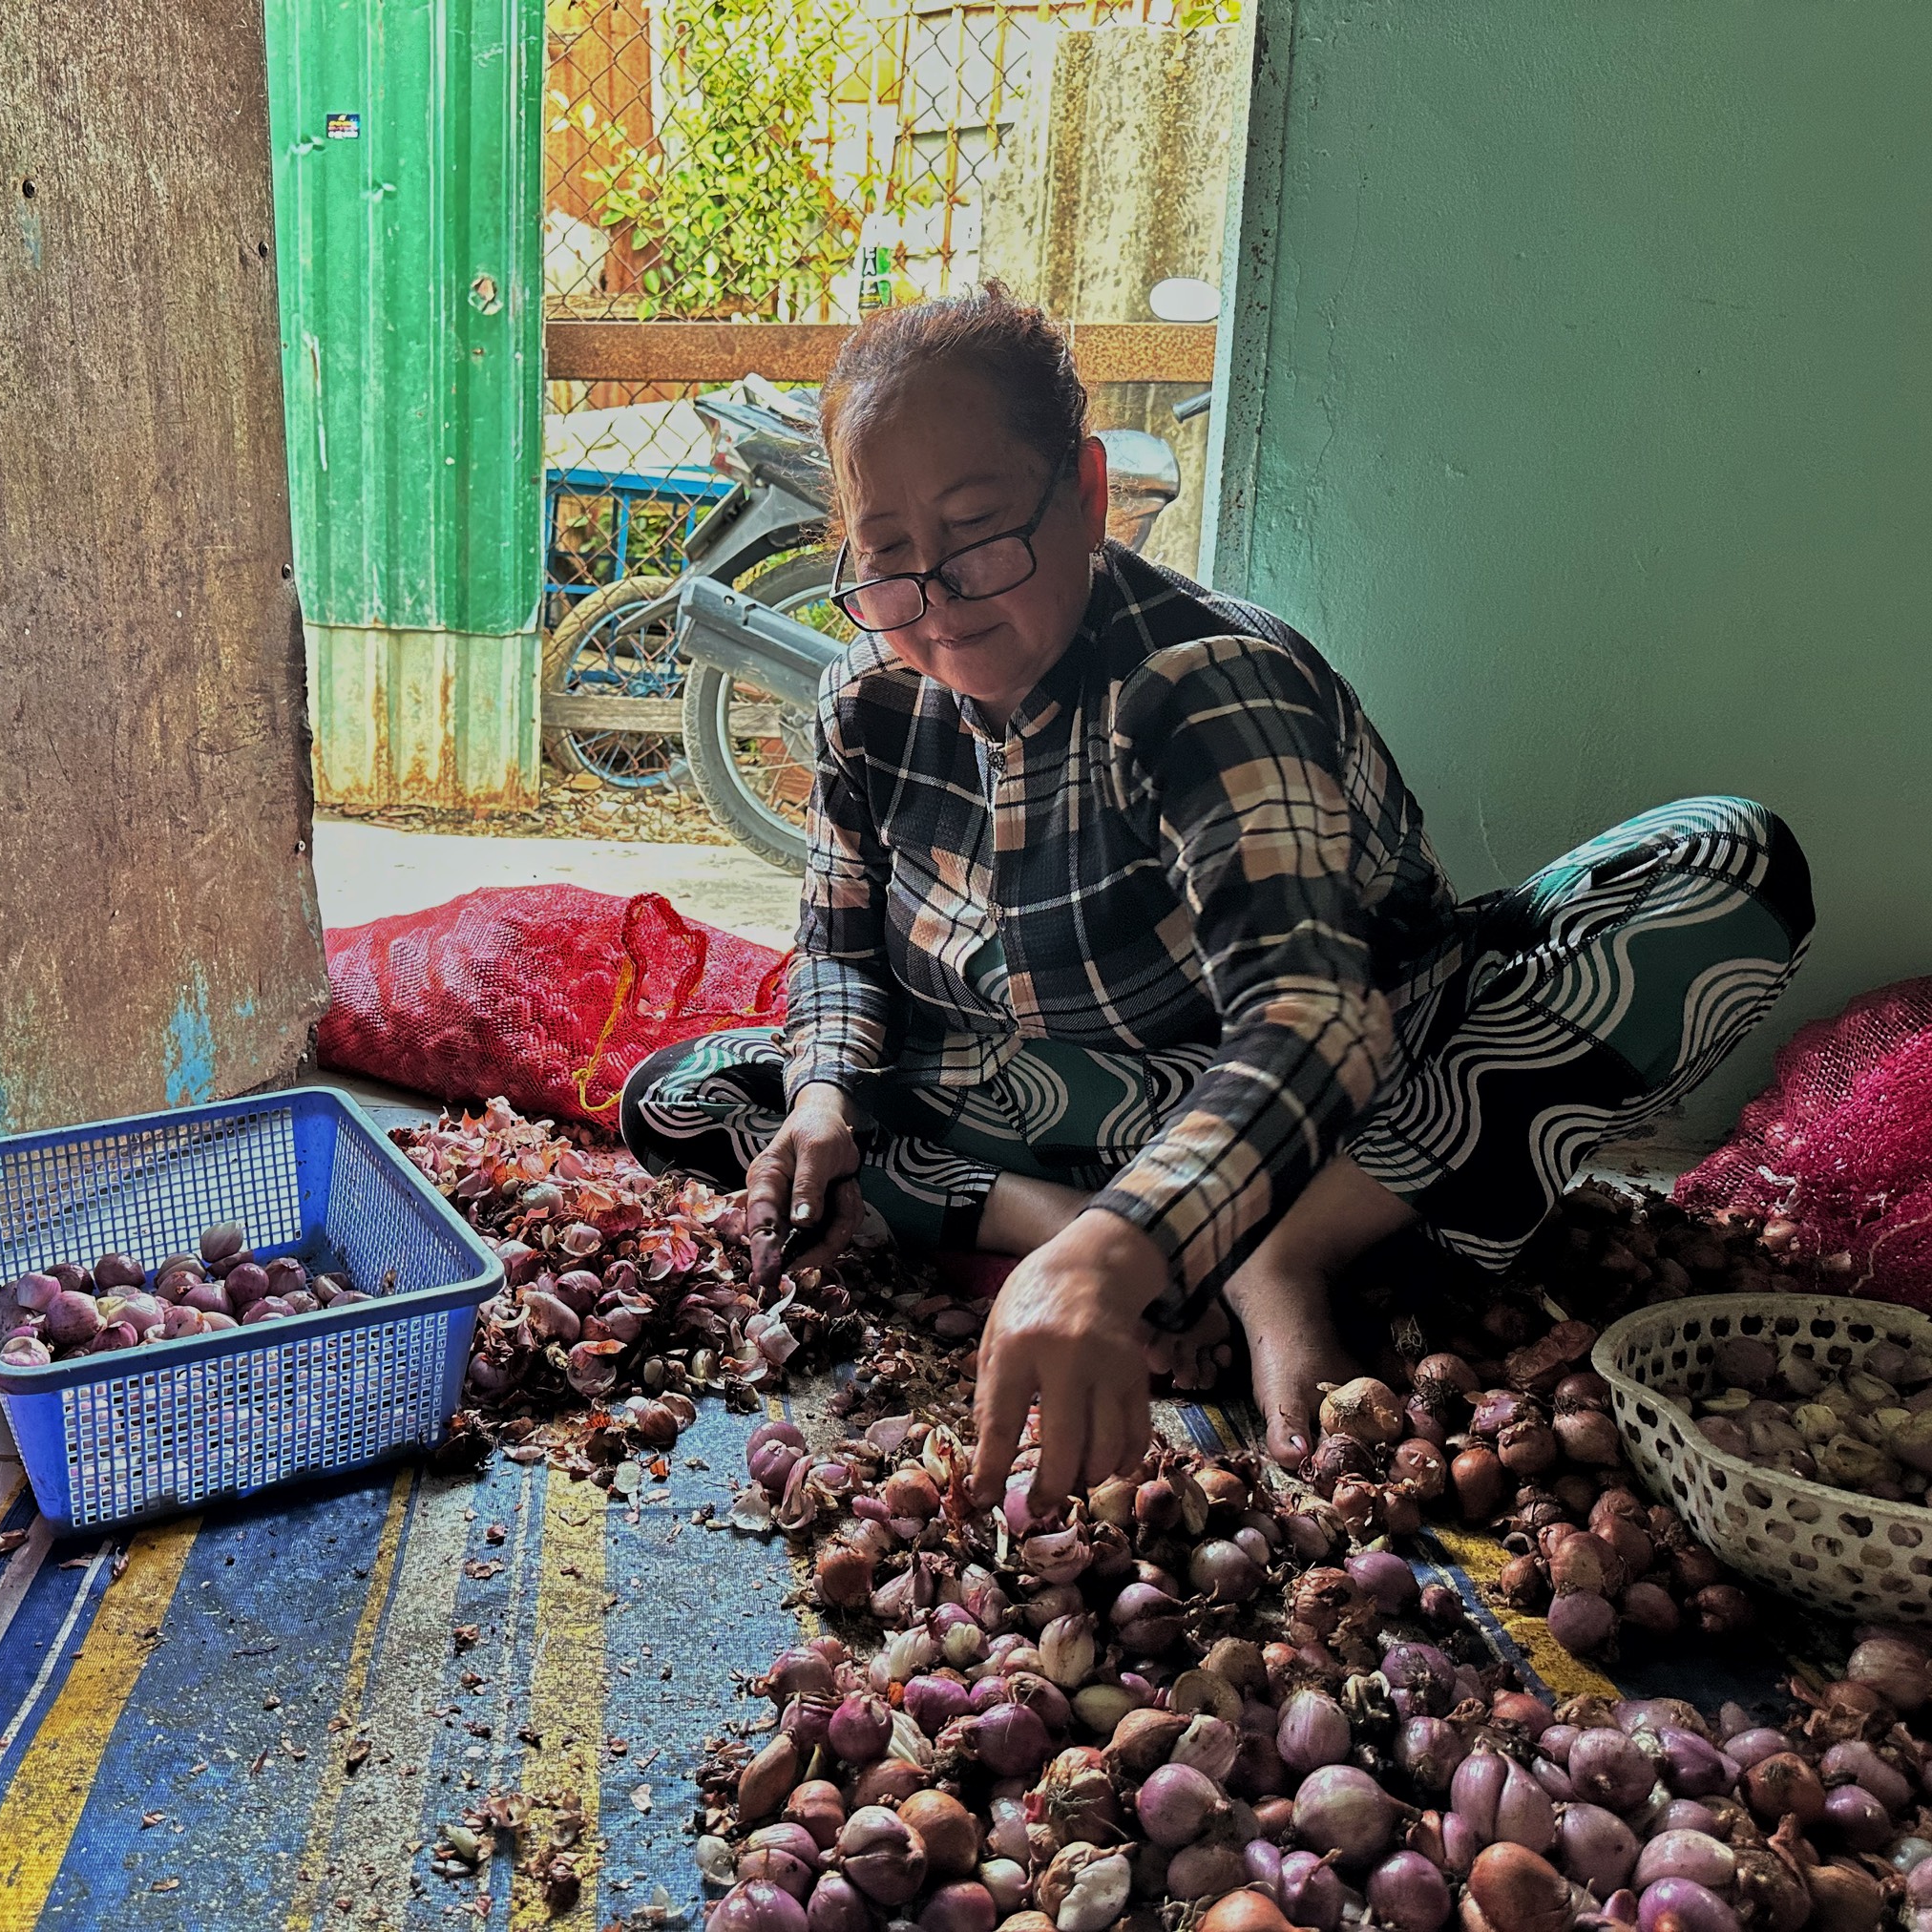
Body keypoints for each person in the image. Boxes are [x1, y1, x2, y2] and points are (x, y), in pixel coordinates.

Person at [621, 284, 1813, 1511]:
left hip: (1356, 1090)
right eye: (888, 561)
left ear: (1085, 495)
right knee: (694, 1096)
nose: (942, 598)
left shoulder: (1201, 683)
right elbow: (838, 957)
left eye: (979, 535)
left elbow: (1313, 1017)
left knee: (1729, 867)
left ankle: (1281, 1255)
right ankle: (1071, 1227)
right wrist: (825, 1101)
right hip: (1087, 1103)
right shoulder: (865, 705)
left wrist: (1132, 1244)